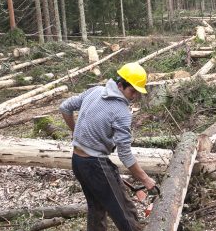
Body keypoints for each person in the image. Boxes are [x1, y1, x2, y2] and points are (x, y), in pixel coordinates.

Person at [60, 62, 157, 231]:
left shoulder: (95, 91)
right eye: (131, 91)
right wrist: (146, 180)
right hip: (95, 164)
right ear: (120, 85)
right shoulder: (121, 111)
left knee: (97, 209)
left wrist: (76, 133)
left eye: (136, 92)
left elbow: (65, 107)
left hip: (77, 162)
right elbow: (125, 155)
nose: (134, 96)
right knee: (125, 213)